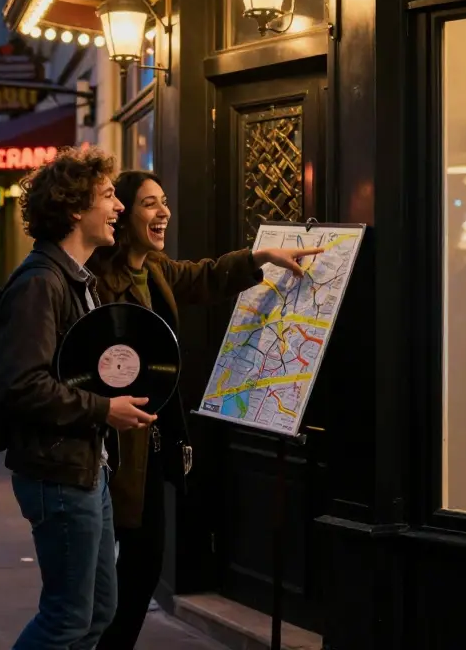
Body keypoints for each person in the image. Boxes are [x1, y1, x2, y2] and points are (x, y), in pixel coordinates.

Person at [88, 170, 322, 649]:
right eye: (149, 204)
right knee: (113, 575)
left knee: (140, 564)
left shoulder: (153, 270)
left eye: (165, 201)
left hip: (148, 442)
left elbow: (205, 276)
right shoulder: (98, 281)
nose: (163, 213)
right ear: (124, 215)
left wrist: (262, 256)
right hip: (110, 448)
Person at [0, 146, 155, 650]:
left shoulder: (74, 278)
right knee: (66, 617)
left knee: (98, 611)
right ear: (74, 210)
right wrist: (107, 408)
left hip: (87, 466)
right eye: (108, 196)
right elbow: (22, 385)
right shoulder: (41, 282)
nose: (120, 208)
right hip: (59, 474)